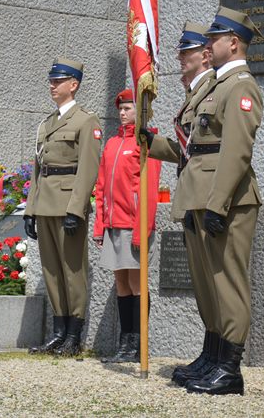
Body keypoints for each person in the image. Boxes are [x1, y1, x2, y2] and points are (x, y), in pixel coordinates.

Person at [146, 7, 264, 395]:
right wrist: (149, 142)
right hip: (202, 196)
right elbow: (194, 147)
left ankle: (229, 369)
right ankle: (213, 356)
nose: (209, 46)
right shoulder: (216, 86)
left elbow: (235, 151)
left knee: (227, 282)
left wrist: (217, 203)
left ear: (234, 42)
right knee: (208, 285)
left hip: (226, 200)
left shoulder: (241, 86)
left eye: (215, 39)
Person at [23, 57, 102, 356]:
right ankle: (58, 332)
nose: (52, 85)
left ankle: (74, 335)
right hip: (44, 204)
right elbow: (38, 169)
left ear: (74, 84)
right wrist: (30, 210)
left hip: (68, 204)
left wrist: (76, 208)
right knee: (51, 270)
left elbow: (87, 169)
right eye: (51, 80)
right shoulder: (47, 123)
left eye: (59, 81)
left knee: (72, 270)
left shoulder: (86, 120)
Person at [92, 89, 161, 363]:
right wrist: (99, 225)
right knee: (121, 282)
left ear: (140, 111)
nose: (122, 113)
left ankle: (139, 343)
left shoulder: (146, 142)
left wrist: (140, 229)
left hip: (133, 224)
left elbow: (149, 191)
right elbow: (100, 186)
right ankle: (126, 341)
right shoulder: (111, 143)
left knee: (136, 283)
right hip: (113, 223)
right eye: (120, 108)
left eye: (129, 108)